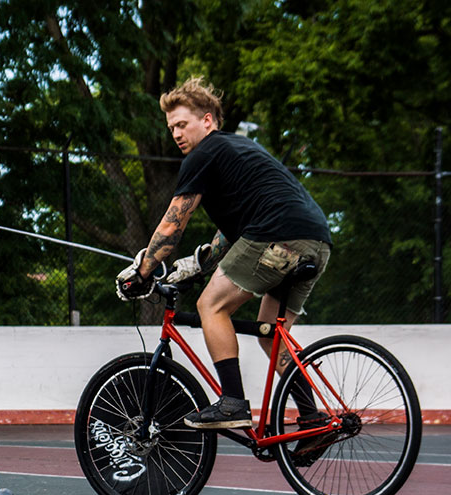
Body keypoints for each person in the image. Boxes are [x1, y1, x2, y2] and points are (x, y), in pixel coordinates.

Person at [115, 77, 332, 434]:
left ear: (208, 121)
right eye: (171, 128)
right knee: (270, 334)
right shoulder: (238, 150)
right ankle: (313, 417)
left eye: (182, 124)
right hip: (315, 241)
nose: (176, 133)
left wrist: (142, 271)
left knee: (211, 306)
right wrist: (197, 265)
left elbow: (171, 228)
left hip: (276, 237)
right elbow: (230, 236)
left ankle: (232, 402)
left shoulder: (204, 154)